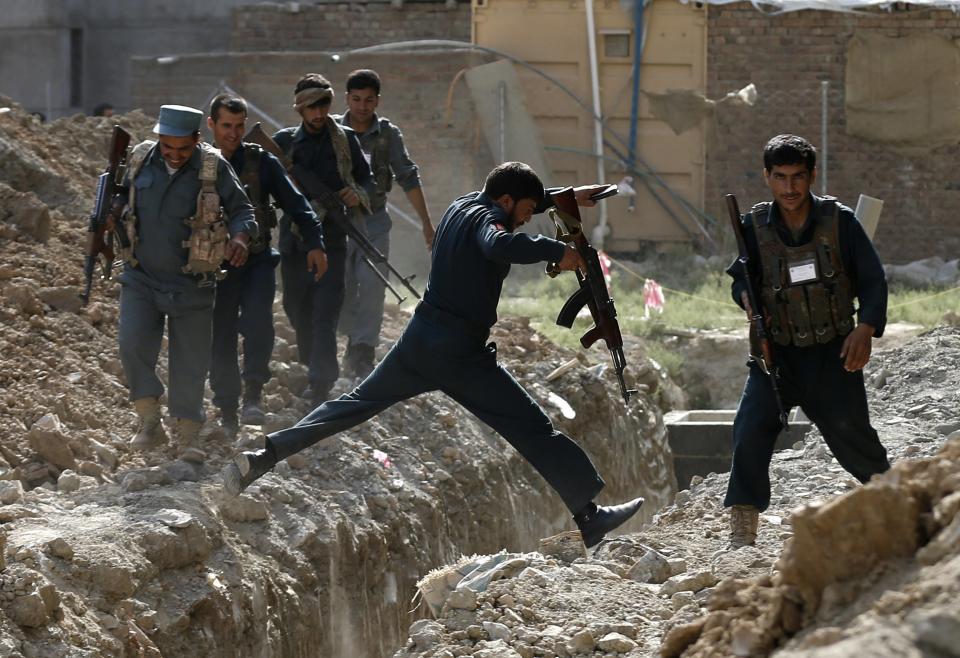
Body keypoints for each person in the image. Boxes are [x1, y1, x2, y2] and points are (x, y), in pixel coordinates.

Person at [223, 162, 645, 549]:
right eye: (526, 210)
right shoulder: (492, 222)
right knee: (533, 428)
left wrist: (562, 196)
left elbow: (507, 211)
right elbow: (498, 243)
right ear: (505, 201)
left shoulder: (464, 205)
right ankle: (589, 516)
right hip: (460, 353)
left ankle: (266, 454)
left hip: (420, 338)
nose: (525, 219)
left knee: (352, 405)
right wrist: (558, 253)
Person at [724, 134, 890, 548]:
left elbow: (873, 280)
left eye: (798, 177)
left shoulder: (840, 222)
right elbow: (740, 280)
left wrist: (865, 328)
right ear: (767, 177)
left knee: (854, 437)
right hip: (775, 355)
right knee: (749, 431)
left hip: (831, 353)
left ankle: (895, 505)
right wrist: (745, 299)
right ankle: (743, 525)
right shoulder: (753, 226)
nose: (790, 188)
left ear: (812, 175)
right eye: (780, 177)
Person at [117, 104, 256, 462]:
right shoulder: (138, 160)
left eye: (183, 148)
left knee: (190, 362)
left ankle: (187, 433)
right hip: (141, 276)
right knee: (132, 344)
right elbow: (120, 201)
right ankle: (149, 420)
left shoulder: (213, 167)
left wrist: (240, 238)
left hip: (192, 281)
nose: (175, 155)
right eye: (168, 147)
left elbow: (243, 210)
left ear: (196, 139)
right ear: (159, 138)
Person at [206, 94, 327, 434]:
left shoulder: (260, 163)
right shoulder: (199, 164)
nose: (233, 133)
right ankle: (227, 407)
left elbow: (298, 206)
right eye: (226, 126)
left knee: (259, 324)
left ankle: (253, 395)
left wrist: (315, 244)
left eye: (239, 126)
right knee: (222, 334)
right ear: (211, 125)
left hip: (257, 261)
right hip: (216, 267)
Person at [273, 73, 375, 405]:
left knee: (325, 312)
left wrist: (354, 194)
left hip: (333, 239)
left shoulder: (344, 140)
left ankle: (320, 382)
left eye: (323, 106)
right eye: (310, 108)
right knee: (296, 307)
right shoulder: (284, 143)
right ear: (299, 109)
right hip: (294, 240)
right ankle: (311, 362)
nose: (318, 114)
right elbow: (262, 183)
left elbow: (368, 183)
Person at [336, 69, 435, 378]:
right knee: (341, 286)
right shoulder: (331, 131)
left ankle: (363, 350)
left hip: (374, 221)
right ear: (347, 99)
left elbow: (407, 175)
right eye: (356, 100)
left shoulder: (388, 135)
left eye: (369, 100)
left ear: (377, 100)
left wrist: (426, 223)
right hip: (337, 222)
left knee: (373, 285)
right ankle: (338, 344)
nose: (362, 107)